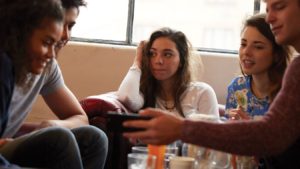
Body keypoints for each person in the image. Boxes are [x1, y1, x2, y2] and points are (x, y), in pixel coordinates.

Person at [123, 0, 300, 168]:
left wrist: (181, 128)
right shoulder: (240, 87)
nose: (269, 18)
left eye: (280, 6)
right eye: (267, 9)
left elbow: (271, 134)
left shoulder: (293, 74)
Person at [0, 0, 108, 168]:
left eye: (70, 26)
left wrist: (49, 125)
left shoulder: (44, 65)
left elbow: (80, 118)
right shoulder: (5, 64)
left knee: (94, 137)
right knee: (59, 140)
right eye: (47, 41)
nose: (64, 36)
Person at [225, 13, 291, 168]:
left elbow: (288, 157)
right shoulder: (237, 88)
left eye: (258, 47)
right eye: (243, 44)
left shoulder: (288, 94)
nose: (246, 52)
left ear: (276, 54)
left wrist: (254, 132)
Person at [117, 27, 219, 119]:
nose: (158, 61)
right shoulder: (144, 93)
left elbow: (212, 135)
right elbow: (126, 97)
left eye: (167, 54)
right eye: (152, 54)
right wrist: (138, 61)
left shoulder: (202, 92)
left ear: (182, 61)